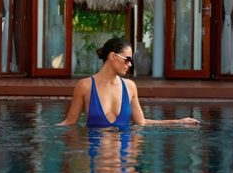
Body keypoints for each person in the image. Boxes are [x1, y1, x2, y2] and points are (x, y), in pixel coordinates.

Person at [58, 37, 199, 127]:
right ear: (112, 56)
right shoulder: (85, 86)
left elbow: (141, 122)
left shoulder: (130, 87)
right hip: (97, 159)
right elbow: (70, 123)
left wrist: (178, 122)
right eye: (127, 59)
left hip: (124, 160)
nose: (130, 64)